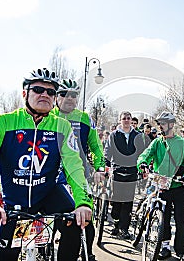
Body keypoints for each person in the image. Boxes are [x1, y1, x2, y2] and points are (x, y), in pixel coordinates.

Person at [0, 68, 92, 260]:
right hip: (16, 197)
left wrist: (83, 202)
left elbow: (74, 165)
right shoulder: (4, 122)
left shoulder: (62, 126)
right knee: (6, 255)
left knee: (77, 224)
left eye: (50, 92)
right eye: (38, 89)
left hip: (49, 192)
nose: (45, 95)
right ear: (25, 93)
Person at [52, 78, 105, 261]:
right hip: (51, 177)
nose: (69, 98)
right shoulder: (48, 116)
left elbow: (97, 147)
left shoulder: (84, 118)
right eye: (63, 94)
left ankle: (87, 252)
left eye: (73, 95)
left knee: (85, 222)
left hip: (78, 176)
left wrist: (99, 168)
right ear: (56, 97)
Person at [137, 111, 184, 259]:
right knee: (163, 220)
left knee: (181, 220)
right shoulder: (157, 142)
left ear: (171, 124)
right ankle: (164, 246)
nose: (160, 126)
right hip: (163, 187)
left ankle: (181, 248)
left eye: (163, 124)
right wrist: (143, 164)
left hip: (179, 187)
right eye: (159, 124)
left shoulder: (183, 143)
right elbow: (144, 155)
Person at [104, 111, 146, 239]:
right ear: (120, 121)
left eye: (128, 118)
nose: (127, 120)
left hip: (132, 172)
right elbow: (108, 151)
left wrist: (143, 166)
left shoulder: (138, 135)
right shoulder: (114, 135)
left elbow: (142, 152)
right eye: (124, 118)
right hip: (117, 171)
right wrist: (106, 165)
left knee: (128, 201)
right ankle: (116, 224)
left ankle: (124, 228)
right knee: (116, 201)